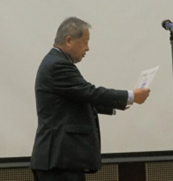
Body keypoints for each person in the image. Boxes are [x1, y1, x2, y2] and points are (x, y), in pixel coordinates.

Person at [30, 17, 150, 181]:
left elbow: (78, 97)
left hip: (60, 160)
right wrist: (130, 96)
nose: (87, 48)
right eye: (85, 42)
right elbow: (89, 92)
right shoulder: (57, 65)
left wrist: (115, 105)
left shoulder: (55, 61)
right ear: (69, 40)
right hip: (58, 161)